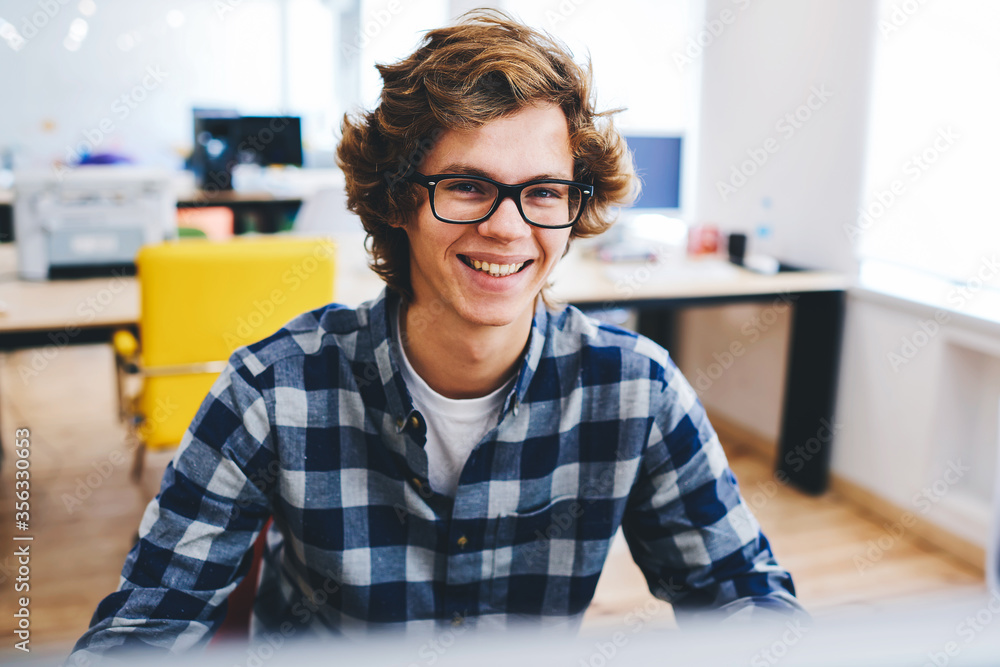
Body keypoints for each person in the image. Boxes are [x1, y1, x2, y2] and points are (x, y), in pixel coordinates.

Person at [69, 9, 805, 662]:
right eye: (467, 185)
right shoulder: (273, 391)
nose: (508, 227)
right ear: (398, 200)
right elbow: (146, 623)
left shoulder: (636, 392)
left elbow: (745, 596)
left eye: (544, 191)